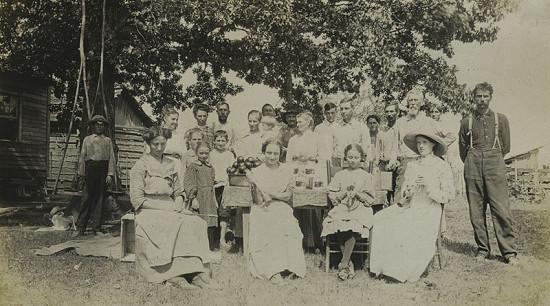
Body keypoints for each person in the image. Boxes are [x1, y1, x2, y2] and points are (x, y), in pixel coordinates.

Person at [129, 126, 212, 288]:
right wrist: (165, 208)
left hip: (170, 206)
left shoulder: (170, 164)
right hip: (148, 209)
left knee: (196, 223)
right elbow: (137, 200)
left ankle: (197, 272)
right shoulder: (140, 166)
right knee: (171, 223)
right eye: (155, 144)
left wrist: (179, 201)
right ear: (148, 143)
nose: (159, 148)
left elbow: (178, 191)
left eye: (162, 144)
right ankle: (173, 274)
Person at [369, 129, 454, 282]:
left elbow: (448, 195)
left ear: (433, 144)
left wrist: (429, 188)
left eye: (425, 142)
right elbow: (405, 190)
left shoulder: (441, 166)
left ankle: (400, 271)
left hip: (430, 208)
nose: (421, 146)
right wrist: (407, 192)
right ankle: (382, 266)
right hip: (411, 206)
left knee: (407, 223)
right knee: (381, 218)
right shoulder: (413, 165)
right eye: (419, 143)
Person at [458, 82, 518, 265]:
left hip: (495, 164)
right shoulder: (466, 121)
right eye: (479, 96)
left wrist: (491, 159)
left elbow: (506, 147)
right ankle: (483, 249)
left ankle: (509, 252)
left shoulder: (501, 119)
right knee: (476, 210)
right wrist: (473, 161)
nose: (482, 100)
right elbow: (463, 149)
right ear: (474, 98)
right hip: (473, 165)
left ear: (490, 97)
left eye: (485, 96)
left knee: (501, 209)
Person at [245, 138, 306, 283]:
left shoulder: (287, 170)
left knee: (289, 226)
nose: (272, 157)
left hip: (281, 206)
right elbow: (259, 201)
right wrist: (254, 186)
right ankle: (272, 271)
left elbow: (288, 196)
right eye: (269, 153)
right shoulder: (256, 172)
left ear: (280, 155)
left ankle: (290, 266)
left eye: (275, 154)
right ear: (263, 153)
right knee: (270, 226)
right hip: (262, 209)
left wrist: (272, 194)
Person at [321, 144, 375, 280]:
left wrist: (357, 194)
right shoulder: (340, 175)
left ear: (361, 158)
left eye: (356, 157)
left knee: (354, 222)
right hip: (343, 206)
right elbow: (333, 195)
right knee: (339, 221)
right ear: (345, 158)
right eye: (350, 157)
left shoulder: (366, 176)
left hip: (360, 207)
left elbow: (370, 198)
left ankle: (344, 263)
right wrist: (344, 193)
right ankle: (347, 263)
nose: (353, 160)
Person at [394, 90, 452, 204]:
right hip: (406, 162)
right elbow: (394, 145)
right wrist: (393, 160)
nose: (413, 103)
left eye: (416, 100)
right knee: (401, 194)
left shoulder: (428, 121)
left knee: (426, 195)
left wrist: (439, 146)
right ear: (407, 102)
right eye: (410, 100)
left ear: (421, 102)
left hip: (426, 163)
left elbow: (451, 135)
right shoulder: (400, 122)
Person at [286, 111, 325, 251]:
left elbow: (322, 160)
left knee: (312, 205)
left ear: (309, 122)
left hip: (311, 174)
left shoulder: (317, 138)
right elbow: (289, 160)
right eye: (297, 123)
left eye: (300, 122)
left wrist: (315, 173)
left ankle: (314, 242)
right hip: (296, 174)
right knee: (296, 205)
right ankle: (297, 241)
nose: (298, 125)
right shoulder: (293, 139)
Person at [74, 115, 115, 236]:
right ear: (93, 126)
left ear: (105, 127)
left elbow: (111, 158)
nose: (99, 126)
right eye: (97, 124)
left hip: (102, 170)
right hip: (90, 169)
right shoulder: (87, 139)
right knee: (86, 199)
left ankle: (96, 228)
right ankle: (80, 228)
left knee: (99, 200)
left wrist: (110, 174)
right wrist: (81, 173)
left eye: (102, 124)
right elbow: (82, 157)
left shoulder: (107, 141)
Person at [184, 140, 219, 251]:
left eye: (206, 153)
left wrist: (215, 200)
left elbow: (212, 185)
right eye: (201, 153)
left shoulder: (210, 167)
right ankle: (196, 246)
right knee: (198, 221)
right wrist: (193, 199)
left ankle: (209, 245)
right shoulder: (193, 166)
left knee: (210, 222)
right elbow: (189, 183)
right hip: (199, 197)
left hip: (209, 198)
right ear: (196, 153)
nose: (204, 156)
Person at [209, 130, 236, 249]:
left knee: (224, 213)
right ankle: (211, 239)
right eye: (218, 140)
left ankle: (222, 239)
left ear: (227, 142)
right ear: (214, 141)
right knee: (213, 212)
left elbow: (233, 171)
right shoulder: (211, 154)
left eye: (223, 141)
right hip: (213, 187)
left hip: (225, 186)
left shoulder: (229, 155)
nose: (220, 143)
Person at [379, 100, 399, 204]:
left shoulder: (400, 128)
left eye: (392, 111)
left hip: (397, 166)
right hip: (384, 167)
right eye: (387, 112)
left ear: (397, 112)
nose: (389, 114)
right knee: (384, 195)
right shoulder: (382, 129)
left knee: (397, 196)